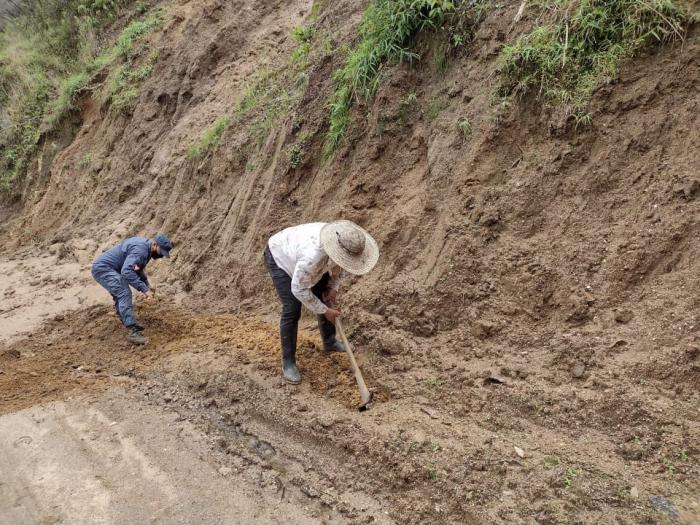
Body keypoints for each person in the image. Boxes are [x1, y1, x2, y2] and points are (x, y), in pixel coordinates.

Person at [264, 220, 379, 384]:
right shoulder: (312, 257)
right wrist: (325, 310)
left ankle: (330, 341)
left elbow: (348, 266)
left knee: (323, 291)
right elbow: (298, 288)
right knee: (292, 308)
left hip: (302, 252)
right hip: (280, 256)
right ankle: (288, 362)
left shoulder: (347, 241)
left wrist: (333, 287)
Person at [91, 234, 173, 344]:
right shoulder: (141, 250)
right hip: (103, 268)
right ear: (155, 244)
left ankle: (126, 321)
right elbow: (127, 271)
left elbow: (137, 268)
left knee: (120, 292)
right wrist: (145, 290)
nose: (161, 256)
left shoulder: (146, 249)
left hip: (108, 268)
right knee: (124, 292)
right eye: (160, 252)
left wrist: (147, 285)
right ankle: (133, 332)